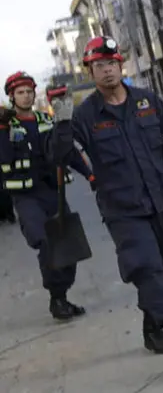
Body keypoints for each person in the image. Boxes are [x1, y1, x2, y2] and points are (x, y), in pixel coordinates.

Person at [50, 36, 163, 368]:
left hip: (159, 201)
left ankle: (152, 328)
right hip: (121, 209)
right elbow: (62, 157)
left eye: (111, 63)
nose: (106, 70)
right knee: (145, 267)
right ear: (90, 72)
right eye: (98, 66)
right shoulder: (84, 116)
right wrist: (61, 124)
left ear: (121, 65)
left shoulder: (148, 101)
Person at [0, 72, 93, 320]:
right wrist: (1, 130)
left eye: (29, 91)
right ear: (11, 96)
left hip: (54, 191)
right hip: (26, 196)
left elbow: (67, 150)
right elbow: (5, 157)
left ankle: (61, 296)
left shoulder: (46, 120)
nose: (26, 95)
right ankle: (56, 298)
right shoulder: (6, 125)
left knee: (68, 244)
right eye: (20, 92)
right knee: (44, 241)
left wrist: (89, 175)